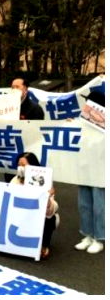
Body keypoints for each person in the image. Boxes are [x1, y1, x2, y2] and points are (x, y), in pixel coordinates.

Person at [10, 152, 58, 260]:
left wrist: (48, 199)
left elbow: (50, 212)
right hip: (20, 216)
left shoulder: (45, 182)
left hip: (38, 217)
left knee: (50, 219)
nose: (20, 168)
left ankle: (43, 245)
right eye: (19, 165)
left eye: (24, 165)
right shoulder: (15, 180)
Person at [74, 89, 104, 255]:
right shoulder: (83, 123)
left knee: (99, 205)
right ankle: (87, 234)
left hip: (100, 170)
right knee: (84, 203)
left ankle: (100, 237)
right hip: (84, 167)